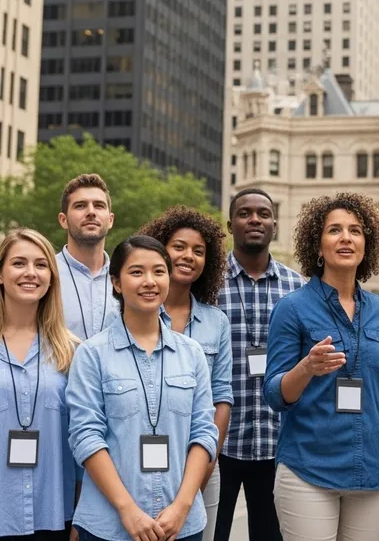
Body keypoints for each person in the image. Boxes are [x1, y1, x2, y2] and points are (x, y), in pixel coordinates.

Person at [265, 193, 379, 541]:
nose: (346, 238)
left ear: (367, 245)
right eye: (334, 230)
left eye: (355, 231)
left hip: (374, 473)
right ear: (317, 245)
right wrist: (306, 368)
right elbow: (273, 394)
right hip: (308, 469)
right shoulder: (292, 308)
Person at [66, 235, 218, 541]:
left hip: (182, 525)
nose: (149, 281)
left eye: (159, 271)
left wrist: (182, 507)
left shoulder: (192, 353)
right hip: (110, 525)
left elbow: (204, 432)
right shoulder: (92, 354)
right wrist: (128, 510)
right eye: (136, 272)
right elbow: (85, 436)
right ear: (117, 283)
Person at [139, 207, 234, 541]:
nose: (188, 256)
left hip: (201, 460)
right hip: (137, 459)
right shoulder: (132, 313)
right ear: (160, 248)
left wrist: (208, 460)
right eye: (179, 246)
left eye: (199, 251)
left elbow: (222, 398)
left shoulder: (216, 321)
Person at [214, 188, 303, 541]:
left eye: (263, 214)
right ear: (230, 224)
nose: (255, 219)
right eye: (245, 213)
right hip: (218, 443)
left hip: (276, 443)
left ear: (274, 225)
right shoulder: (206, 285)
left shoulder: (296, 287)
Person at [0, 229, 78, 541]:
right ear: (1, 274)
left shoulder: (72, 352)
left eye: (41, 265)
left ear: (51, 277)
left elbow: (84, 437)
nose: (31, 273)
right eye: (19, 263)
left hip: (55, 514)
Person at [57, 174, 117, 341]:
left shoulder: (126, 279)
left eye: (99, 206)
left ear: (110, 220)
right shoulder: (45, 274)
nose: (91, 212)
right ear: (63, 220)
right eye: (80, 206)